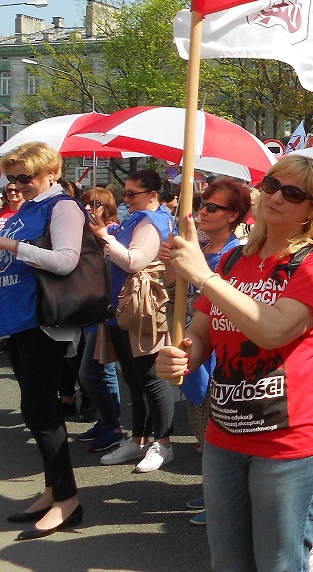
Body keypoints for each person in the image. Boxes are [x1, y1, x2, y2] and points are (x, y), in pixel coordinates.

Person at [157, 154, 313, 572]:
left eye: (293, 193)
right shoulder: (233, 260)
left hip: (290, 440)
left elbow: (273, 330)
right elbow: (202, 334)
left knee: (280, 562)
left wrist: (204, 277)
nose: (276, 197)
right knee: (228, 560)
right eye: (272, 185)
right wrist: (182, 354)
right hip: (226, 431)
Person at [0, 143, 84, 539]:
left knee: (42, 412)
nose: (17, 184)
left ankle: (67, 500)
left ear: (51, 173)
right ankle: (53, 490)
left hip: (44, 322)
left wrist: (10, 245)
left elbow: (66, 261)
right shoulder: (27, 209)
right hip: (20, 320)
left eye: (25, 177)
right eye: (12, 178)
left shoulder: (62, 206)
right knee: (36, 413)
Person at [172, 177, 251, 527]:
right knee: (200, 426)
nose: (203, 212)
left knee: (217, 432)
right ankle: (212, 491)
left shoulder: (235, 256)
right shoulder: (200, 249)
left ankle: (225, 500)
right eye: (203, 204)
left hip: (220, 354)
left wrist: (195, 280)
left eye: (213, 207)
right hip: (196, 344)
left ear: (233, 215)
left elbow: (228, 307)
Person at [93, 169, 177, 473]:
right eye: (124, 193)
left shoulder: (153, 221)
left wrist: (105, 238)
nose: (126, 198)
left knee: (151, 378)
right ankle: (139, 439)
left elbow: (134, 261)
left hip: (142, 308)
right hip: (124, 306)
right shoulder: (140, 218)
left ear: (153, 195)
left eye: (131, 194)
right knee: (133, 378)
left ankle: (163, 443)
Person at [75, 187, 125, 454]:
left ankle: (113, 426)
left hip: (106, 311)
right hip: (89, 308)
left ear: (108, 207)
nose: (88, 208)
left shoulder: (113, 232)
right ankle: (108, 422)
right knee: (99, 371)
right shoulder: (84, 232)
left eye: (95, 204)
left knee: (93, 372)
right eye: (84, 203)